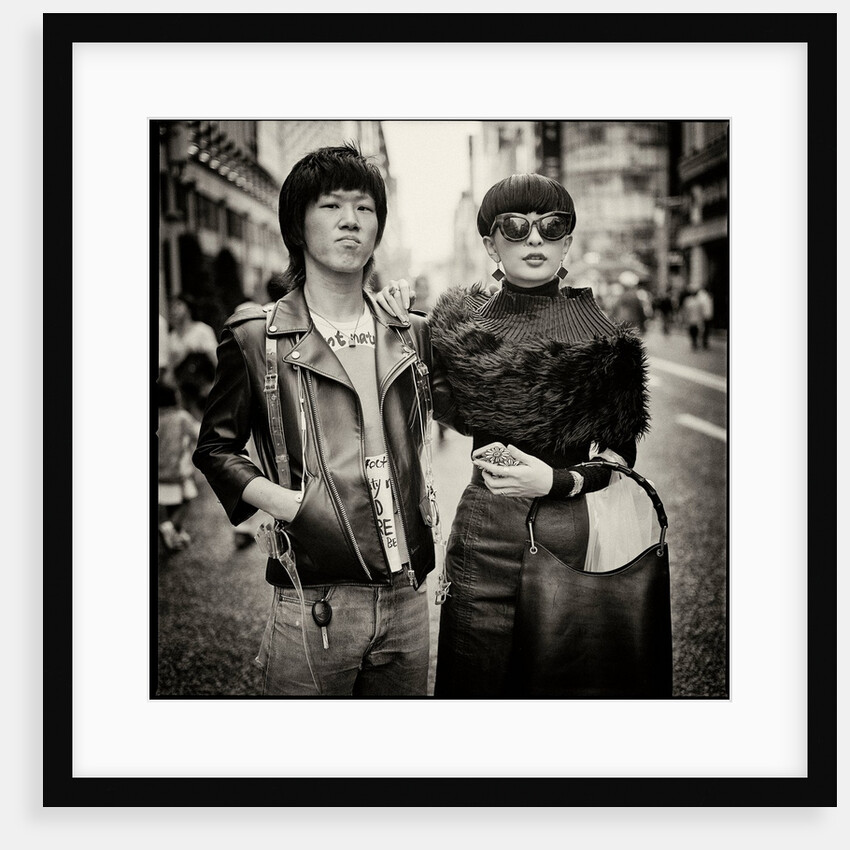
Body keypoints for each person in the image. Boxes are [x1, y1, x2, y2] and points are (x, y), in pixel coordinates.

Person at [192, 143, 456, 696]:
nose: (349, 221)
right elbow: (216, 449)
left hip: (408, 591)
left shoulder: (409, 331)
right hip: (314, 597)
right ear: (296, 224)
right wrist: (291, 504)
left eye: (364, 208)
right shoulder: (255, 337)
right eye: (331, 206)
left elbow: (469, 396)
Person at [376, 173, 651, 697]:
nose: (535, 240)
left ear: (568, 240)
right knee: (472, 686)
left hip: (572, 535)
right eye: (516, 227)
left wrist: (558, 479)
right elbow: (430, 399)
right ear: (490, 243)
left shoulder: (606, 339)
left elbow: (620, 458)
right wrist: (398, 324)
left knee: (563, 690)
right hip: (485, 538)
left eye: (552, 227)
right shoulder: (457, 325)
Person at [158, 380, 201, 552]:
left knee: (170, 502)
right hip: (178, 470)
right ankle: (170, 527)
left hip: (159, 471)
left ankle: (176, 534)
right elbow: (198, 433)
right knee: (187, 499)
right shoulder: (181, 417)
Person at [168, 295, 219, 420]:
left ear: (188, 308)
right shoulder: (172, 337)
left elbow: (216, 360)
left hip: (204, 390)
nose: (174, 310)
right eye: (172, 307)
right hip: (184, 393)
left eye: (178, 305)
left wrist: (215, 385)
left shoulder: (202, 331)